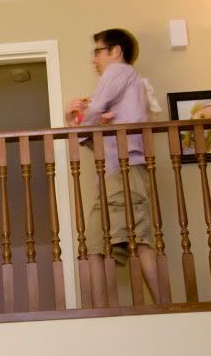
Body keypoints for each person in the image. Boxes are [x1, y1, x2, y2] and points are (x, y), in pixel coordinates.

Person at [65, 28, 160, 304]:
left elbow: (96, 108)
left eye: (97, 52)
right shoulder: (127, 85)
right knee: (96, 243)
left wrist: (83, 122)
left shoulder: (119, 71)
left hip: (125, 170)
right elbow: (94, 139)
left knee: (138, 238)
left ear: (115, 51)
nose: (94, 60)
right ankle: (100, 311)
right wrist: (75, 123)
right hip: (113, 174)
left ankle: (165, 306)